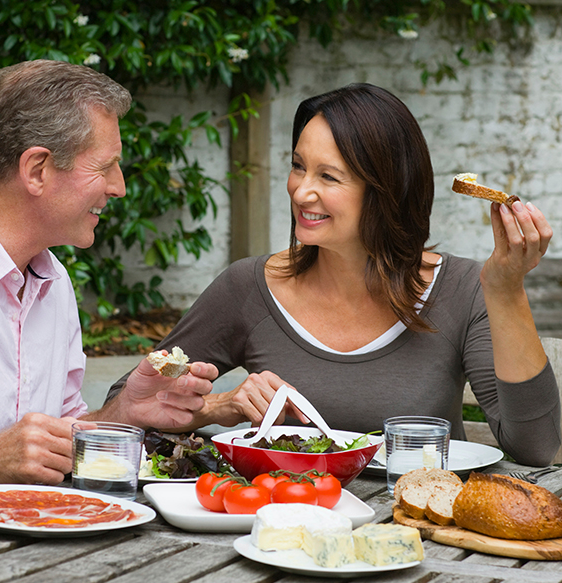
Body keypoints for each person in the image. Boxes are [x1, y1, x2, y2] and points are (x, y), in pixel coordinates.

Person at [108, 83, 560, 466]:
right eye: (298, 166)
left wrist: (505, 289)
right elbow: (131, 401)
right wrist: (217, 406)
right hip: (275, 529)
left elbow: (537, 449)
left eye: (329, 176)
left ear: (386, 191)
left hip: (421, 539)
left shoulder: (463, 290)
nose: (302, 190)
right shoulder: (248, 286)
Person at [0, 60, 218, 501]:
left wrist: (124, 413)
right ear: (37, 170)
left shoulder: (54, 280)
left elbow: (54, 444)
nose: (119, 187)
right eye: (106, 166)